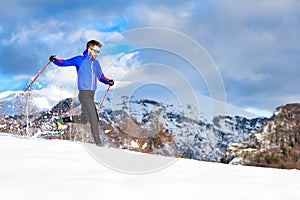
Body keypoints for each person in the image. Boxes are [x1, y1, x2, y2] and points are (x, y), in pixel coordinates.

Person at [49, 40, 114, 146]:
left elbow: (101, 77)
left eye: (99, 52)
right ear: (89, 49)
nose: (97, 54)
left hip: (91, 95)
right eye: (96, 51)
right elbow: (64, 63)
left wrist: (108, 81)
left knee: (85, 119)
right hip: (84, 94)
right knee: (94, 118)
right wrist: (54, 60)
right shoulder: (80, 60)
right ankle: (99, 144)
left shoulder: (96, 64)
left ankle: (61, 120)